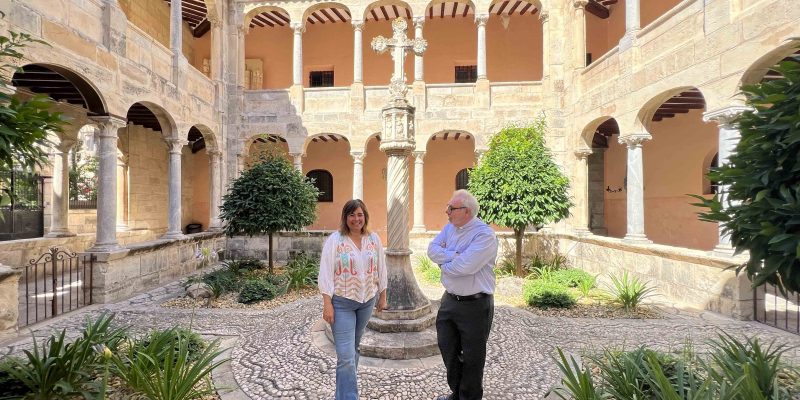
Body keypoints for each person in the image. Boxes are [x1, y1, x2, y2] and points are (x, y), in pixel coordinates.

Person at [428, 189, 498, 400]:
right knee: (448, 349)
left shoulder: (484, 235)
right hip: (450, 301)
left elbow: (465, 267)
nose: (446, 211)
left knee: (472, 357)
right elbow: (432, 250)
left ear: (466, 211)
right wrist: (453, 255)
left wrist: (444, 264)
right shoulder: (450, 228)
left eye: (451, 208)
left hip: (475, 305)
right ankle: (456, 393)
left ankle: (469, 397)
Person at [318, 199, 388, 400]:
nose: (356, 219)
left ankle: (344, 391)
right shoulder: (335, 240)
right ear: (345, 218)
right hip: (342, 303)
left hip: (366, 302)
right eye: (352, 215)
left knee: (353, 349)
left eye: (360, 214)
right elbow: (325, 272)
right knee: (346, 356)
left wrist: (382, 295)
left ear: (365, 216)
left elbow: (381, 268)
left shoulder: (373, 239)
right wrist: (327, 303)